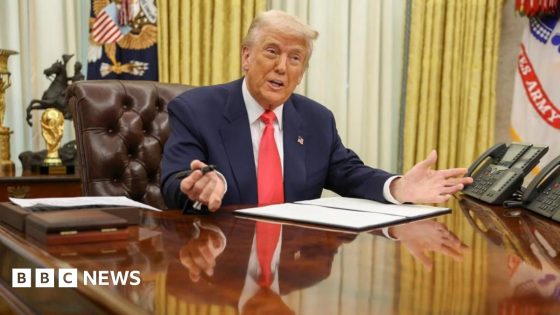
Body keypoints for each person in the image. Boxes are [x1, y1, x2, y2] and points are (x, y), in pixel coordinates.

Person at [161, 10, 473, 212]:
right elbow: (174, 182)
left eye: (295, 58)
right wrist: (200, 186)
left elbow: (349, 173)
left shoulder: (317, 120)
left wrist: (399, 186)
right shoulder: (196, 109)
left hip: (292, 259)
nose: (282, 67)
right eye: (272, 51)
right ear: (246, 56)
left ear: (302, 71)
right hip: (218, 262)